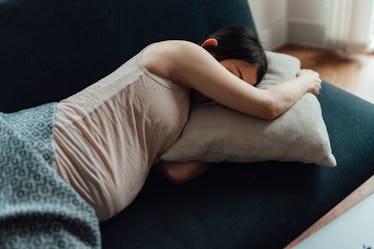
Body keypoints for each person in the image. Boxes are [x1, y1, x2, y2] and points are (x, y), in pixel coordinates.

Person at [52, 26, 322, 221]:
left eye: (243, 88)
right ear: (210, 47)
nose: (231, 93)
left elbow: (176, 171)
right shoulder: (182, 53)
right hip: (55, 146)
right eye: (232, 76)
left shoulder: (185, 109)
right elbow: (268, 105)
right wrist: (306, 80)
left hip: (75, 206)